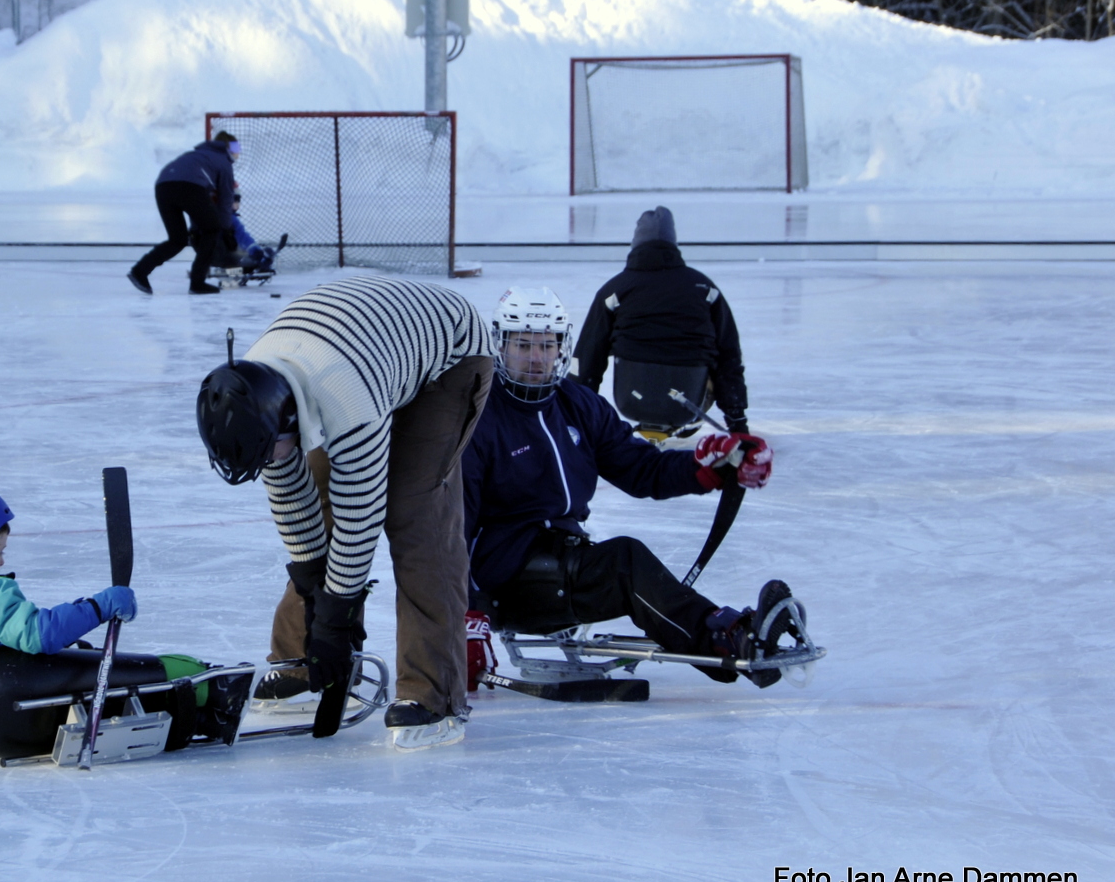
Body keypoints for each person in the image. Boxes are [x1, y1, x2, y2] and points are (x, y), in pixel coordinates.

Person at [196, 275, 494, 750]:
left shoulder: (346, 400)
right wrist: (320, 601)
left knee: (414, 514)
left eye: (270, 449)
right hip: (363, 340)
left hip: (449, 352)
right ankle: (297, 664)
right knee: (318, 493)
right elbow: (293, 501)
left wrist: (335, 624)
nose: (272, 461)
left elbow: (362, 519)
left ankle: (432, 694)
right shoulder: (254, 394)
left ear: (287, 417)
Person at [462, 287, 799, 689]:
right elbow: (451, 528)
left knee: (621, 564)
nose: (536, 358)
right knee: (625, 562)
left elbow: (641, 468)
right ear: (500, 345)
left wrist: (710, 464)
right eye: (523, 344)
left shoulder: (578, 404)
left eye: (547, 345)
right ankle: (729, 641)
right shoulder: (478, 417)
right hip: (503, 579)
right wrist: (465, 617)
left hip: (563, 558)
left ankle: (732, 639)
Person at [0, 485, 249, 759]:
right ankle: (208, 686)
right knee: (134, 674)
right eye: (0, 547)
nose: (2, 557)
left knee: (79, 668)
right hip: (10, 700)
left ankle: (188, 710)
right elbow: (39, 635)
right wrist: (100, 606)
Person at [574, 206, 750, 435]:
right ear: (673, 244)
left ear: (635, 244)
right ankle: (687, 419)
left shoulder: (615, 290)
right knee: (711, 351)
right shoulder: (704, 288)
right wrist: (738, 422)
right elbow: (729, 355)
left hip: (631, 400)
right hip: (688, 404)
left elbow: (588, 355)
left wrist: (575, 418)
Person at [128, 131, 239, 296]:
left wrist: (198, 228)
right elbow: (225, 198)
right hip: (188, 187)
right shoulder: (223, 161)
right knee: (213, 229)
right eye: (237, 147)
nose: (239, 152)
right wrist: (225, 229)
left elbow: (200, 203)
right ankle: (197, 282)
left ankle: (139, 271)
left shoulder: (197, 154)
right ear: (228, 148)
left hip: (163, 185)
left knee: (177, 239)